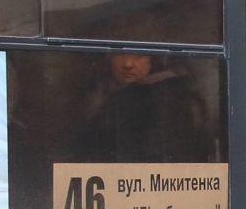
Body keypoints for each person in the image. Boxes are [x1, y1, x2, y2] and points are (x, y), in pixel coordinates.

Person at [81, 52, 210, 164]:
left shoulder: (165, 97)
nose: (128, 64)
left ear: (153, 59)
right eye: (120, 53)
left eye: (139, 55)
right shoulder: (104, 95)